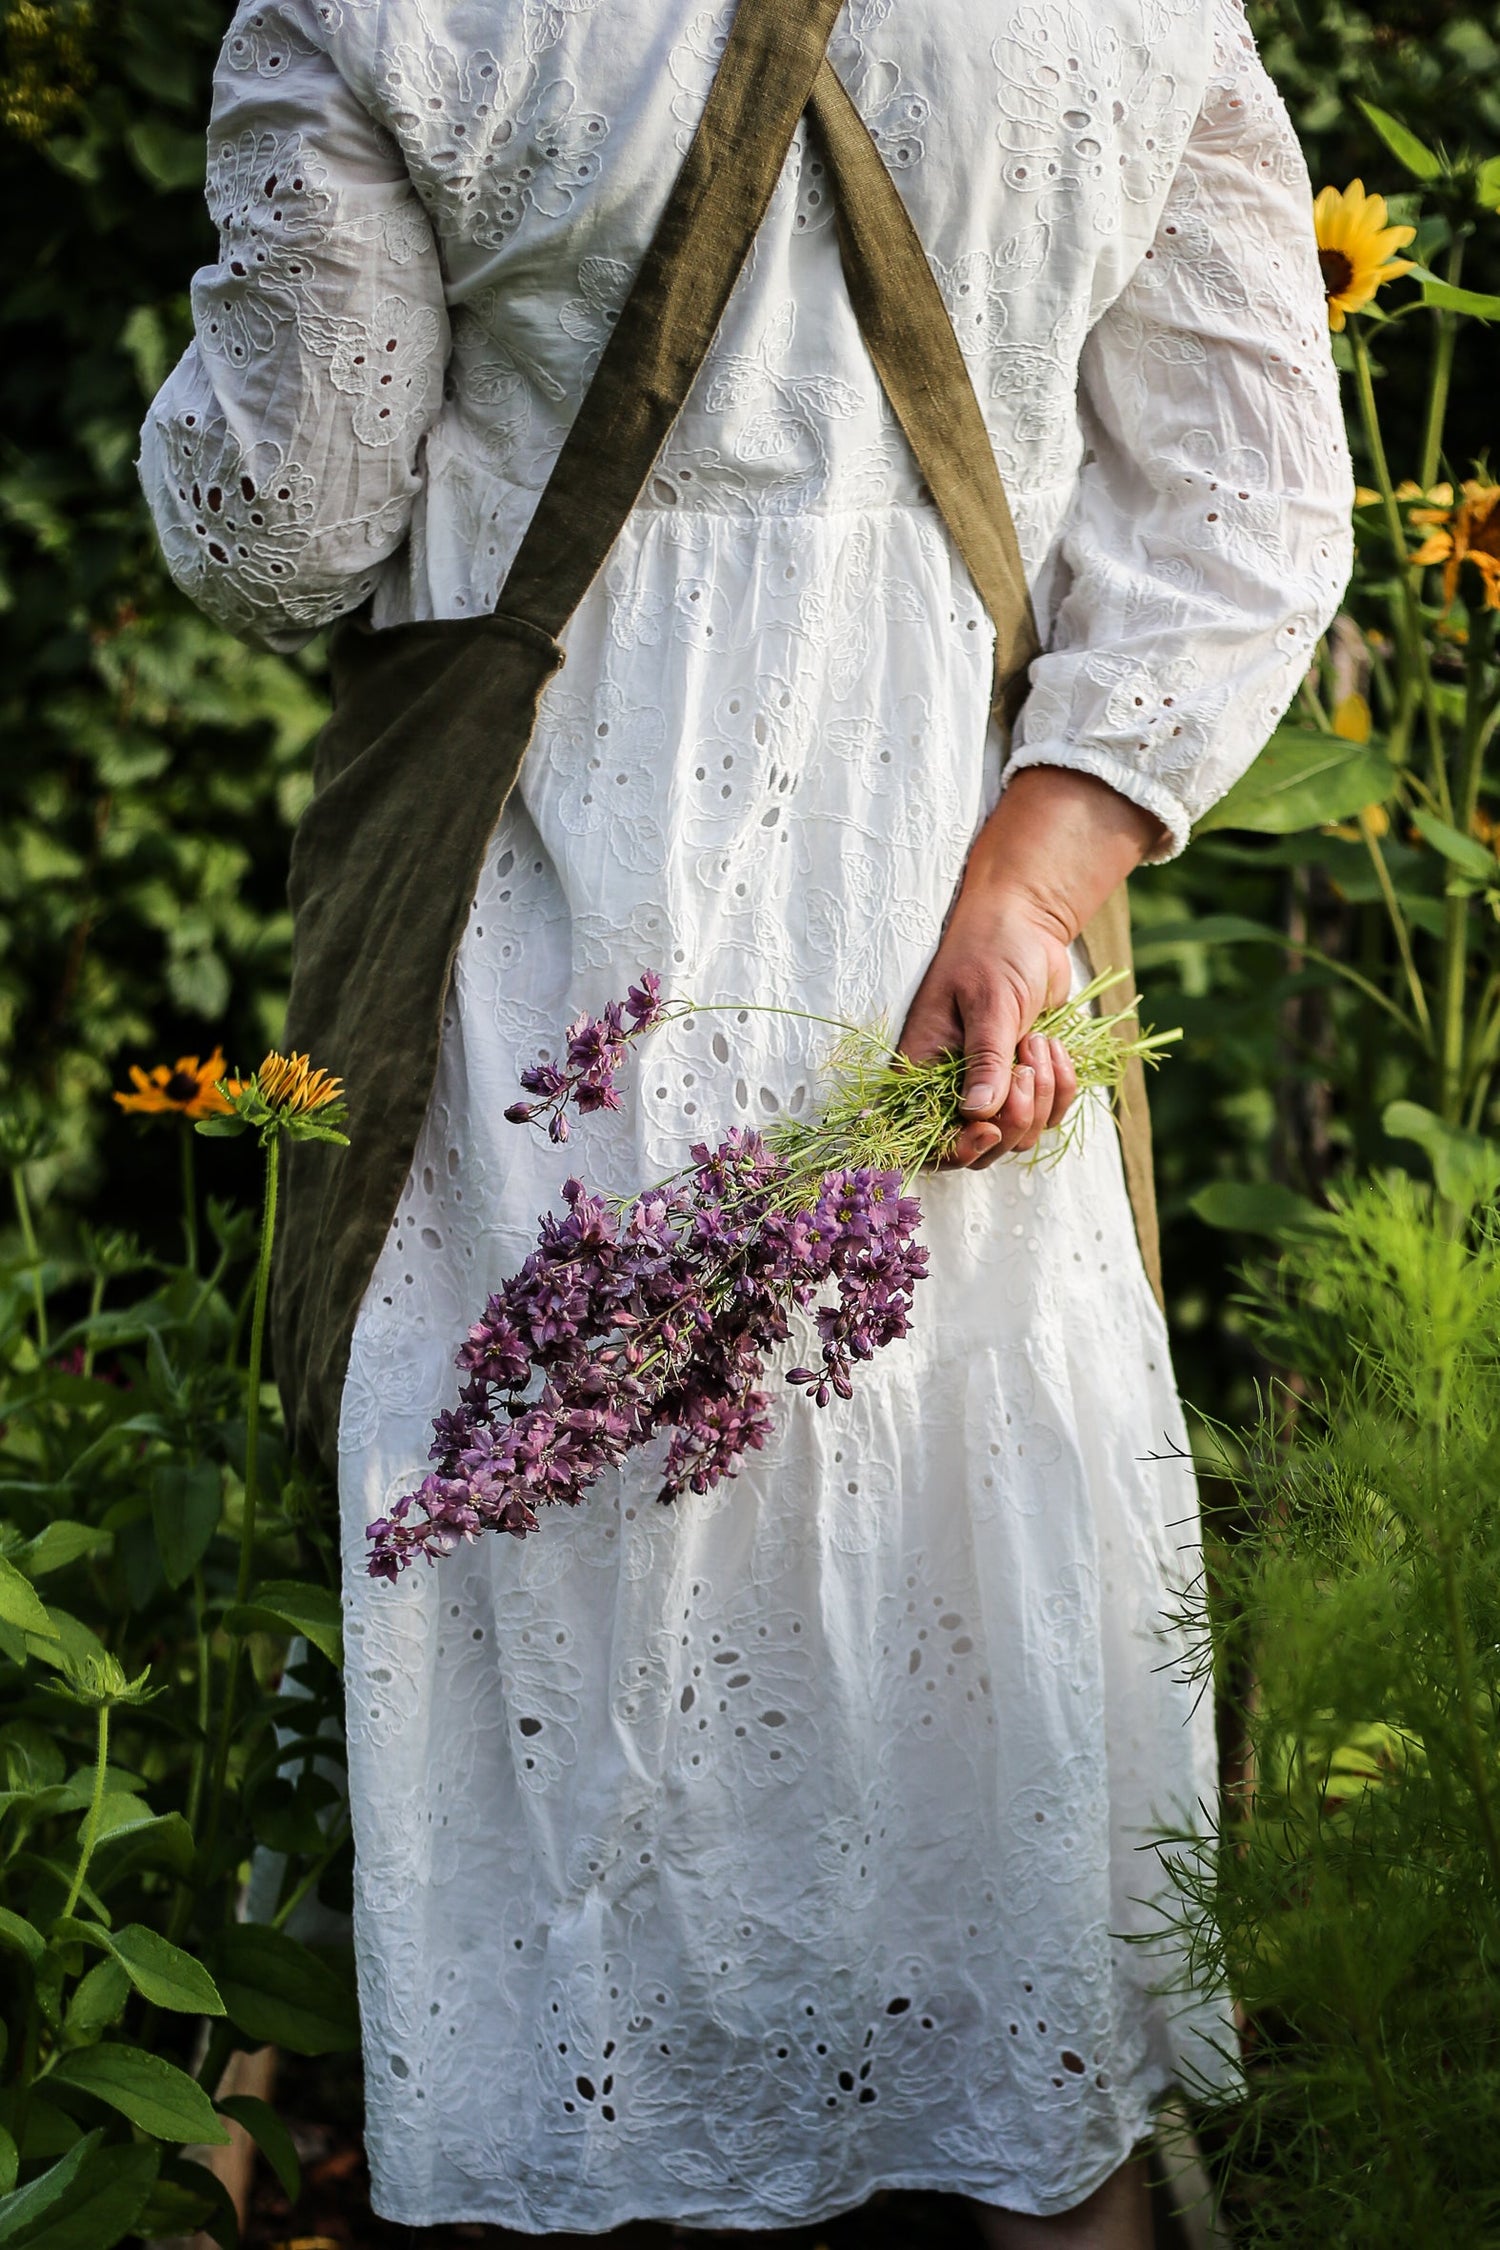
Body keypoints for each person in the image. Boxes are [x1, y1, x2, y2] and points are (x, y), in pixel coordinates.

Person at [140, 0, 1351, 2241]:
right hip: (937, 962)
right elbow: (1256, 501)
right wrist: (1040, 874)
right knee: (967, 1640)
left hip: (546, 958)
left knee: (552, 1610)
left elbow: (287, 525)